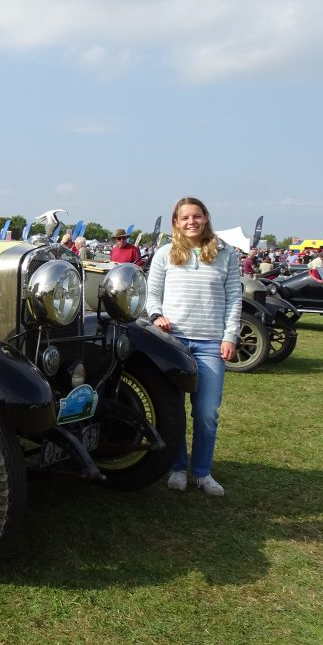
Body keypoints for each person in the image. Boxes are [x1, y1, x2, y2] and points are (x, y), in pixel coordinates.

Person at [146, 196, 241, 497]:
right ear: (176, 222)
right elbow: (152, 294)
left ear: (206, 217)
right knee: (173, 411)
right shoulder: (164, 254)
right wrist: (156, 315)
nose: (191, 222)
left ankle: (202, 472)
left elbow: (234, 299)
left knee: (206, 412)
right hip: (173, 343)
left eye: (196, 216)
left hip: (211, 343)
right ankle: (177, 468)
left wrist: (230, 336)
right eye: (184, 217)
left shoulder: (226, 254)